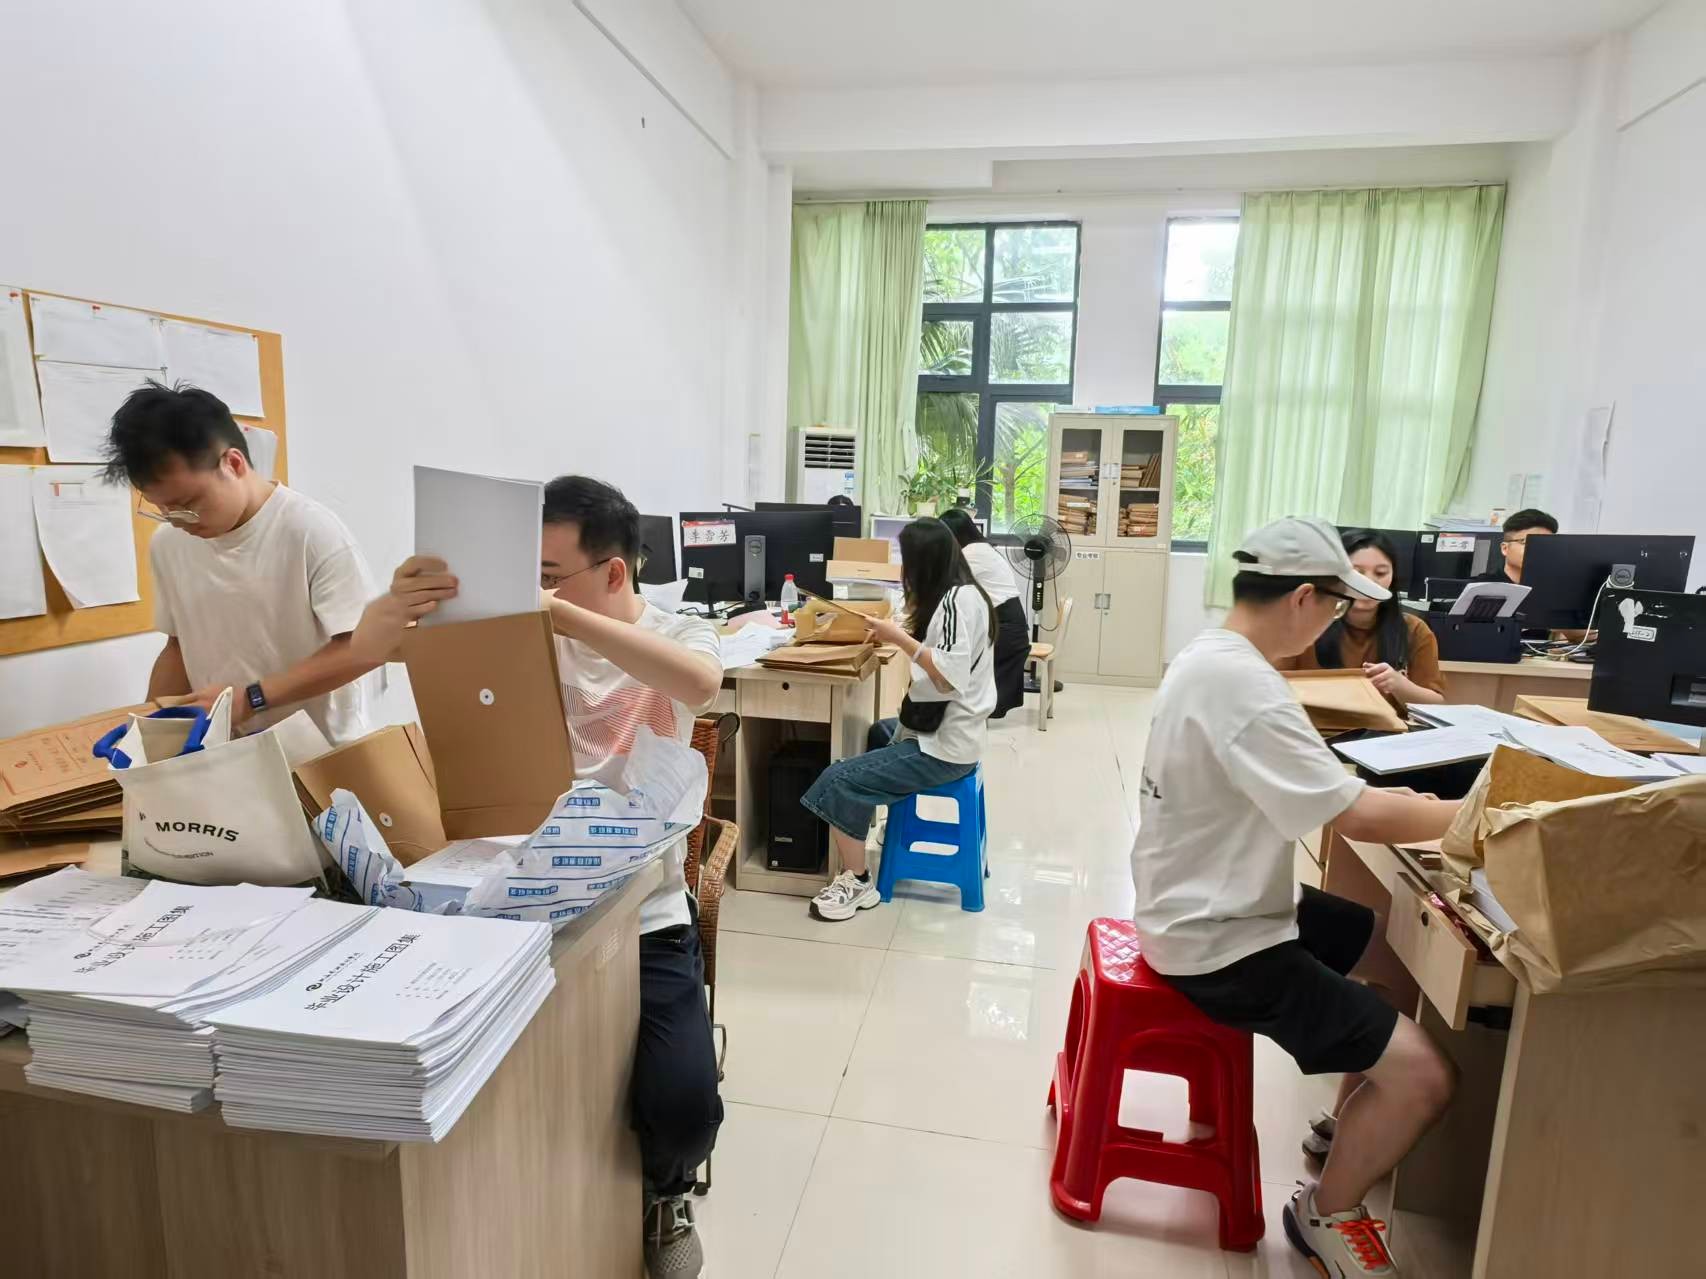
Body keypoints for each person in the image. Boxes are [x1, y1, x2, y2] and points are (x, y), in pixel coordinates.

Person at [351, 476, 724, 1279]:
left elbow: (699, 683)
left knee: (685, 1106)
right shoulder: (516, 635)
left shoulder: (676, 629)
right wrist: (396, 609)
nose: (532, 590)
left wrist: (553, 612)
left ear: (615, 572)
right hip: (519, 900)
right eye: (526, 573)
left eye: (549, 574)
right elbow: (383, 655)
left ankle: (666, 1194)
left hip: (644, 912)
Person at [1131, 516, 1462, 1278]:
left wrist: (1405, 802)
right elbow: (1358, 816)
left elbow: (1323, 786)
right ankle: (1326, 1211)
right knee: (1431, 1075)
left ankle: (1347, 1124)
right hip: (1221, 942)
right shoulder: (1246, 685)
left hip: (1208, 897)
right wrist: (1471, 815)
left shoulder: (1213, 654)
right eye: (1336, 605)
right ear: (1304, 597)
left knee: (1396, 952)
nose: (1338, 620)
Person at [101, 380, 378, 745]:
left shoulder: (309, 530)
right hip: (228, 751)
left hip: (320, 754)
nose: (177, 519)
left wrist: (252, 699)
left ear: (233, 463)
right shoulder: (169, 542)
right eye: (161, 508)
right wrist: (150, 730)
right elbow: (179, 647)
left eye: (187, 503)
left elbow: (368, 647)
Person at [803, 517, 996, 921]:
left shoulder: (957, 602)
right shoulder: (964, 595)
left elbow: (947, 676)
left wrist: (898, 638)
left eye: (906, 560)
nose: (903, 570)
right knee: (879, 733)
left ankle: (858, 881)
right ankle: (879, 829)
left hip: (943, 747)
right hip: (951, 734)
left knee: (837, 780)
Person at [1275, 530, 1446, 711]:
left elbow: (1436, 706)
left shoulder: (1414, 630)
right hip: (1317, 727)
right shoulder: (1303, 624)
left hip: (1389, 728)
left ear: (1393, 578)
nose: (1369, 582)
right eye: (1356, 573)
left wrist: (1399, 685)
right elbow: (1272, 689)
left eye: (1380, 573)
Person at [939, 508, 1028, 718]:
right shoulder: (982, 548)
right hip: (1007, 623)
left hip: (1006, 631)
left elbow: (945, 585)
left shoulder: (972, 554)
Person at [1477, 508, 1557, 585]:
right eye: (1529, 542)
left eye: (1546, 544)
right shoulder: (1481, 587)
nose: (1539, 550)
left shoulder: (1557, 588)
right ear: (1505, 548)